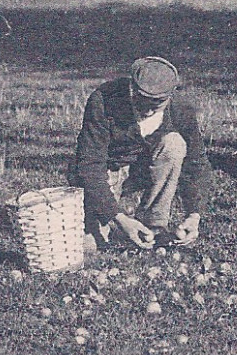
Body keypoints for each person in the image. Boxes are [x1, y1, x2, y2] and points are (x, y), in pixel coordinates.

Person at [72, 56, 216, 250]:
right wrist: (117, 217)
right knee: (88, 245)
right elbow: (89, 165)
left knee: (174, 144)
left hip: (146, 170)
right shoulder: (104, 100)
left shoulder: (181, 109)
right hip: (109, 171)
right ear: (131, 87)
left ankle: (153, 224)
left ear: (170, 96)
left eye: (156, 104)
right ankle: (118, 223)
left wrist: (194, 215)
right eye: (142, 101)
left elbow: (196, 163)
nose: (148, 111)